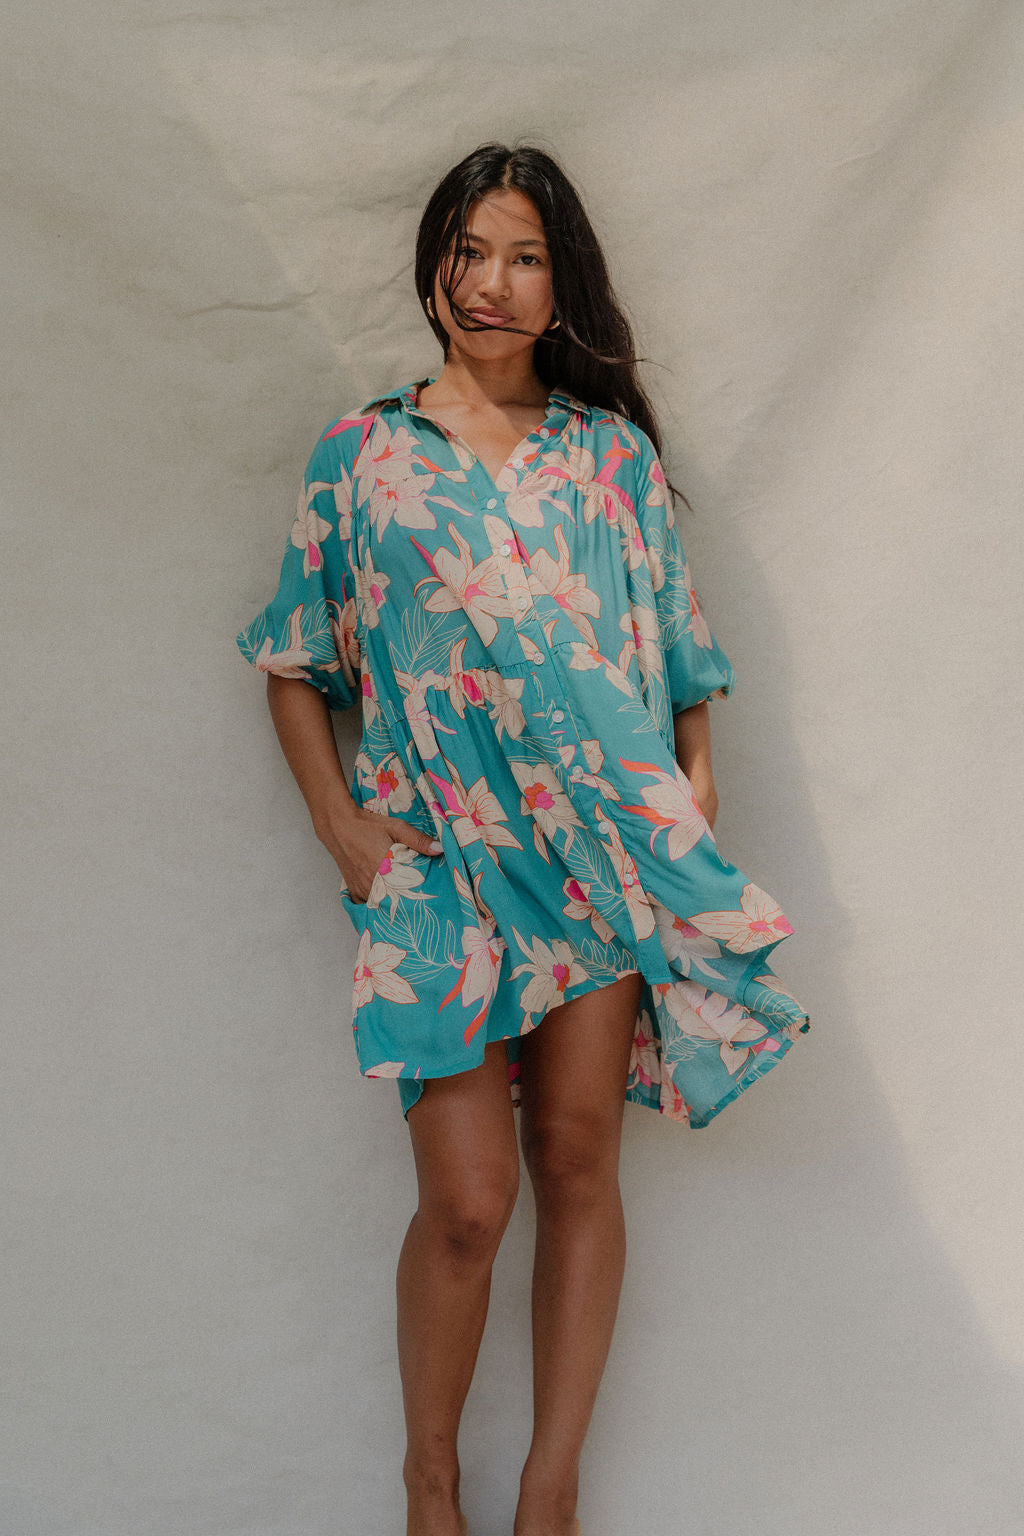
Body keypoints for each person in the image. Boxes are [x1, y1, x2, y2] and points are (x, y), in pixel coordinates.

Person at [236, 141, 809, 1536]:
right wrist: (340, 826)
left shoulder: (610, 458)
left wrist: (695, 789)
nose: (491, 284)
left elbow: (680, 658)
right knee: (470, 1203)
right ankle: (430, 1482)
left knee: (574, 1165)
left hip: (595, 862)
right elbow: (294, 656)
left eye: (525, 257)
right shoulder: (364, 453)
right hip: (439, 869)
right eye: (470, 251)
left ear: (563, 288)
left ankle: (549, 1494)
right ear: (435, 264)